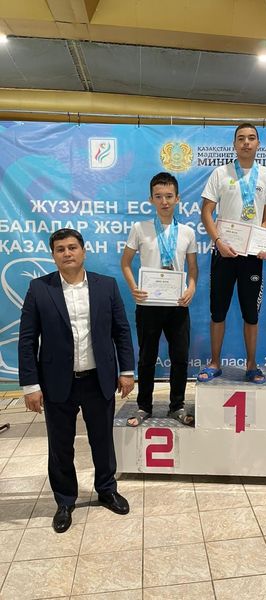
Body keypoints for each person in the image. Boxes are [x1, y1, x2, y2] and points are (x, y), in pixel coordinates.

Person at [19, 228, 135, 534]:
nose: (67, 253)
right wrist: (30, 386)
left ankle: (107, 490)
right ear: (53, 255)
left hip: (99, 379)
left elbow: (121, 330)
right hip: (57, 382)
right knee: (60, 446)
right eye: (60, 249)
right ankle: (65, 501)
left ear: (84, 251)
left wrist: (126, 370)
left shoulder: (106, 286)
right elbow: (27, 340)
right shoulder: (39, 289)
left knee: (102, 440)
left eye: (72, 247)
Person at [198, 122, 266, 384]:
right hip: (223, 252)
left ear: (258, 144)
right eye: (241, 138)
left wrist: (265, 243)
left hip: (252, 256)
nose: (246, 142)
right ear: (234, 144)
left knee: (251, 314)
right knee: (217, 311)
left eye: (251, 138)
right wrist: (218, 241)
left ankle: (252, 365)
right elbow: (206, 212)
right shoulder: (220, 173)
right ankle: (214, 363)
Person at [121, 172, 198, 426]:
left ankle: (177, 406)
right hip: (148, 304)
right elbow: (125, 263)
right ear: (151, 199)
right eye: (158, 196)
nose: (164, 201)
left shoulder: (187, 232)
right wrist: (134, 288)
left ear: (177, 198)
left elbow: (193, 268)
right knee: (147, 357)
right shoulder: (140, 229)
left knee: (180, 357)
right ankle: (144, 406)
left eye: (169, 196)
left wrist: (191, 288)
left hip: (177, 304)